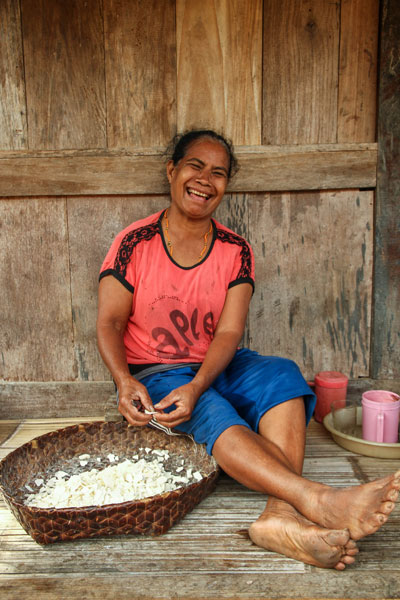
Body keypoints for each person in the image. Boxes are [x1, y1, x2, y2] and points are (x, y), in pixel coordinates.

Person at [97, 129, 400, 570]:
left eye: (218, 173)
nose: (205, 180)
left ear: (226, 185)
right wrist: (124, 381)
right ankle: (316, 499)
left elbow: (227, 334)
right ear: (172, 171)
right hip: (157, 371)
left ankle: (277, 517)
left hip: (216, 363)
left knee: (281, 373)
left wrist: (201, 382)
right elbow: (109, 321)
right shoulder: (133, 243)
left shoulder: (235, 249)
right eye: (195, 166)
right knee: (212, 410)